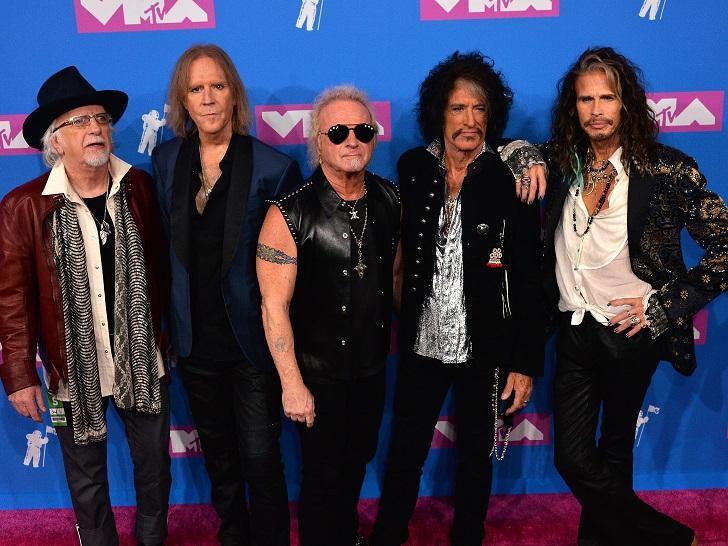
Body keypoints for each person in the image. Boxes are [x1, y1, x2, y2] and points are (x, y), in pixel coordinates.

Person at [544, 46, 727, 546]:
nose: (596, 110)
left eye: (607, 98)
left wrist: (664, 306)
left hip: (632, 333)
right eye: (586, 99)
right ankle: (667, 536)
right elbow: (511, 154)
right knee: (572, 457)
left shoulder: (667, 170)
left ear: (627, 104)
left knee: (615, 448)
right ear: (573, 107)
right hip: (574, 329)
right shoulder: (560, 163)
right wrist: (519, 155)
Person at [370, 51, 546, 546]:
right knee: (406, 450)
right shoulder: (413, 167)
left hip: (485, 346)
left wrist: (524, 362)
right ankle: (388, 535)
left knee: (475, 455)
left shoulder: (510, 174)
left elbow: (529, 277)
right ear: (439, 113)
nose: (469, 120)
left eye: (479, 109)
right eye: (458, 108)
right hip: (421, 342)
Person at [0, 66, 170, 546]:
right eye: (78, 122)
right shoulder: (24, 206)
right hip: (70, 367)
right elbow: (13, 299)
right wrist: (19, 375)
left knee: (155, 471)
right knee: (87, 484)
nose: (94, 128)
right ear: (55, 142)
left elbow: (163, 270)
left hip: (143, 361)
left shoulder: (140, 188)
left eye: (100, 119)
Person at [152, 44, 302, 546]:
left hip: (253, 344)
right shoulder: (166, 161)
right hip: (195, 344)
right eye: (196, 89)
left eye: (217, 86)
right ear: (183, 100)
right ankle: (234, 536)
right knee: (218, 458)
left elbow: (290, 269)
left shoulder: (272, 168)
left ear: (234, 95)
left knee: (260, 456)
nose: (208, 98)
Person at [256, 85, 400, 546]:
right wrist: (292, 384)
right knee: (322, 475)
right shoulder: (288, 213)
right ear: (317, 142)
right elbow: (273, 307)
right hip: (316, 375)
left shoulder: (390, 200)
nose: (351, 140)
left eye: (363, 130)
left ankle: (347, 534)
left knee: (357, 461)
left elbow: (397, 282)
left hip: (371, 369)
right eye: (338, 132)